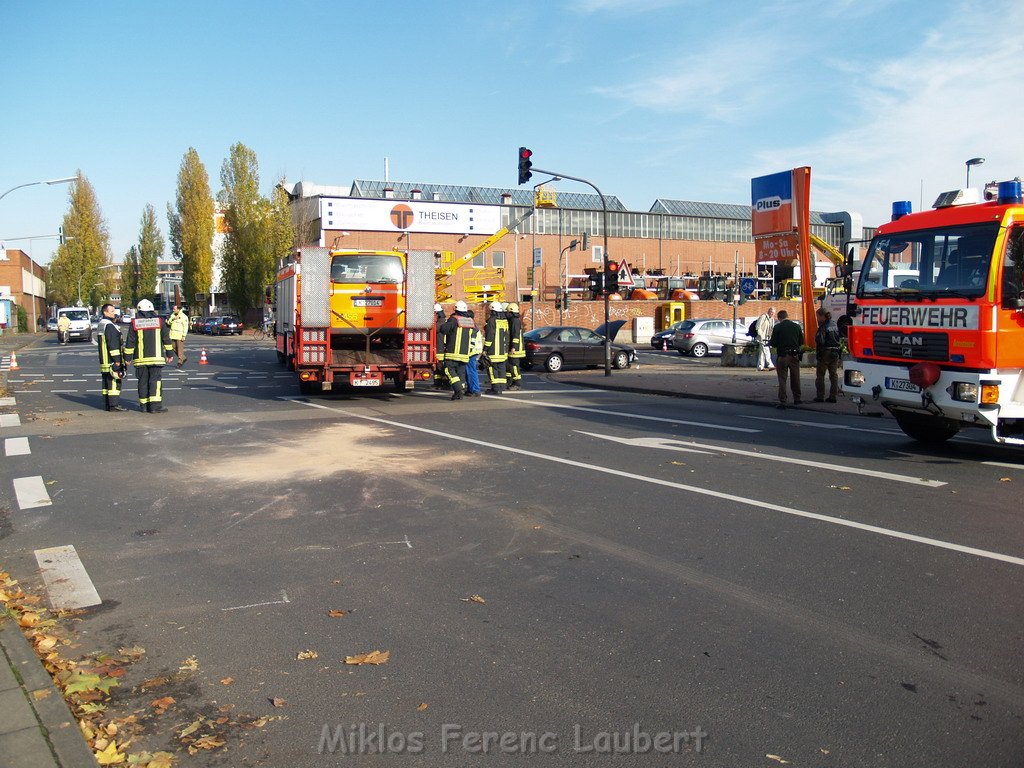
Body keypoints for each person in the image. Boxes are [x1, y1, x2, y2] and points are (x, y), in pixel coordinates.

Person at [124, 298, 173, 413]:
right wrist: (169, 354)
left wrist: (127, 358)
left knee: (142, 382)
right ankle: (155, 407)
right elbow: (166, 339)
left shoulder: (135, 323)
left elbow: (130, 342)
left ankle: (144, 406)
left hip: (140, 360)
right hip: (156, 359)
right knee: (155, 381)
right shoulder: (160, 322)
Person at [768, 309, 804, 408]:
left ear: (779, 318)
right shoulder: (796, 327)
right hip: (794, 356)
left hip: (783, 356)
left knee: (782, 379)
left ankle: (783, 400)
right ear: (787, 316)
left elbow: (774, 343)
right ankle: (797, 398)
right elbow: (801, 341)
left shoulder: (778, 327)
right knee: (795, 377)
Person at [439, 300, 474, 401]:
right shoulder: (469, 320)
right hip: (465, 354)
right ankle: (460, 391)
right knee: (460, 373)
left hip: (453, 352)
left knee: (448, 370)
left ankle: (458, 390)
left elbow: (444, 330)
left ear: (456, 309)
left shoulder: (454, 319)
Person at [97, 303, 128, 412]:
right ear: (105, 312)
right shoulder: (109, 326)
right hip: (111, 361)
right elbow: (113, 344)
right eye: (112, 311)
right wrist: (117, 361)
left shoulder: (101, 324)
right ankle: (114, 405)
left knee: (106, 384)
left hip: (104, 360)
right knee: (114, 382)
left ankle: (107, 404)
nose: (114, 313)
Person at [813, 308, 842, 403]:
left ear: (822, 316)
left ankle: (820, 396)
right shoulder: (834, 324)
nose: (817, 318)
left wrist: (819, 353)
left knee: (820, 375)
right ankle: (833, 396)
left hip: (825, 352)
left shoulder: (823, 326)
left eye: (817, 316)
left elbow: (820, 340)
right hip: (835, 352)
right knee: (833, 375)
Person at [483, 300, 509, 395]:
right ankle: (502, 387)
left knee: (492, 369)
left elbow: (489, 336)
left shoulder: (491, 321)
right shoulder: (504, 321)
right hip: (502, 351)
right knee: (501, 369)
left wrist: (485, 349)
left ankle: (495, 388)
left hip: (493, 351)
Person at [506, 302, 525, 391]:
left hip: (516, 349)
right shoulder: (514, 320)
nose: (507, 314)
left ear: (511, 312)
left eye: (508, 312)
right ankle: (510, 381)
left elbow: (515, 335)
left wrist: (513, 346)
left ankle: (517, 383)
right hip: (514, 348)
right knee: (510, 365)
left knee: (514, 366)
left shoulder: (514, 321)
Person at [754, 306, 776, 371]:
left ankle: (760, 367)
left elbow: (771, 329)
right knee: (766, 351)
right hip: (762, 337)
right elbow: (758, 326)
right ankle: (770, 365)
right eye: (771, 312)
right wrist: (760, 335)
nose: (772, 314)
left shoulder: (772, 319)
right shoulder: (763, 317)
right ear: (768, 311)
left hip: (767, 338)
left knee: (762, 352)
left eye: (773, 313)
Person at [466, 318, 483, 397]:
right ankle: (473, 389)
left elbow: (471, 341)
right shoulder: (475, 327)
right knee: (471, 371)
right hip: (474, 351)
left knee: (470, 371)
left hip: (471, 352)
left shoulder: (471, 327)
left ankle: (474, 390)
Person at [433, 303, 448, 390]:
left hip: (440, 347)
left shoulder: (441, 321)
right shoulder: (440, 321)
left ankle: (446, 384)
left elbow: (435, 329)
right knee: (437, 367)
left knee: (440, 366)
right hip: (438, 346)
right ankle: (437, 383)